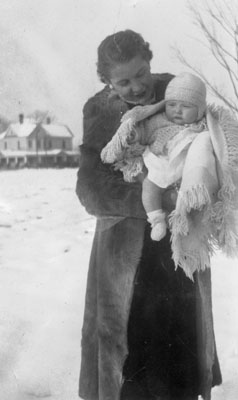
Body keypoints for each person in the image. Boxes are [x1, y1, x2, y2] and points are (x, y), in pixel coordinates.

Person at [76, 29, 223, 400]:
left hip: (177, 244)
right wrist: (149, 199)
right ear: (107, 81)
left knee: (181, 353)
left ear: (149, 61)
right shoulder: (99, 111)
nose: (137, 87)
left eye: (141, 74)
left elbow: (213, 151)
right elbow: (90, 188)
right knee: (128, 355)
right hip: (126, 252)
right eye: (123, 81)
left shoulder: (179, 93)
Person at [101, 72, 210, 242]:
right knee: (149, 189)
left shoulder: (203, 128)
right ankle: (156, 219)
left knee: (186, 198)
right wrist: (134, 135)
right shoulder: (160, 120)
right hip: (159, 165)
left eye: (186, 106)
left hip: (185, 172)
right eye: (172, 104)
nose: (177, 111)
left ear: (199, 110)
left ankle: (183, 221)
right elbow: (144, 129)